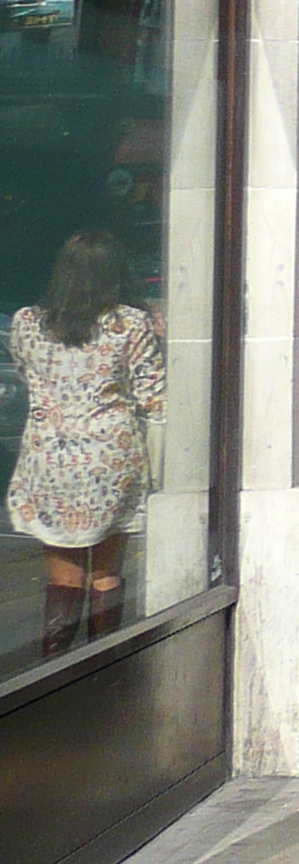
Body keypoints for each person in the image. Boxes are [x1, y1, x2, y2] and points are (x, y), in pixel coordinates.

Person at [7, 230, 165, 659]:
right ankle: (103, 666)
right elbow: (154, 394)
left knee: (63, 576)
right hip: (110, 459)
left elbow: (28, 377)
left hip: (49, 458)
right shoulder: (130, 324)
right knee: (105, 574)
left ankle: (55, 669)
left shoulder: (26, 322)